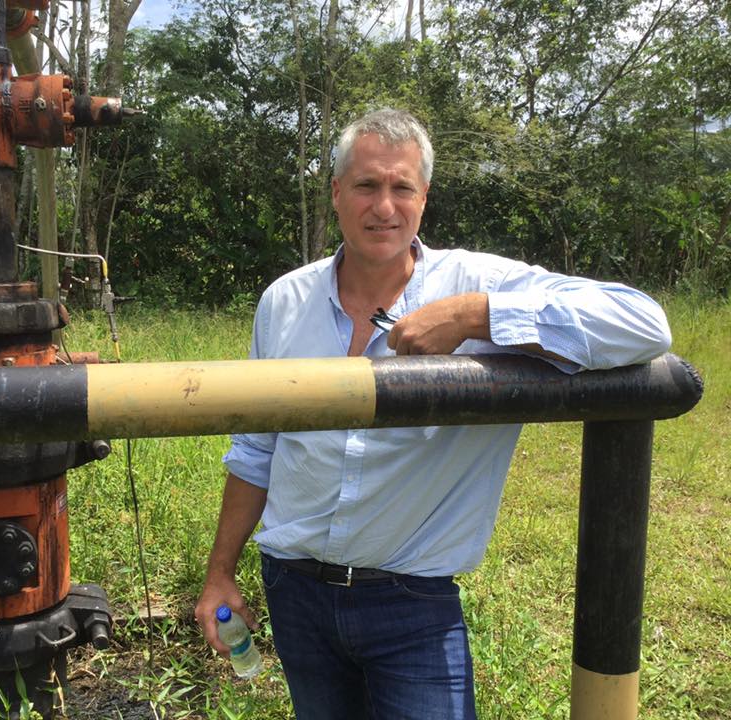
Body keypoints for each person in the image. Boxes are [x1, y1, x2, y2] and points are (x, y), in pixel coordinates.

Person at [194, 108, 671, 719]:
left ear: (424, 199)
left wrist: (476, 316)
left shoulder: (475, 280)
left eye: (402, 188)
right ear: (337, 192)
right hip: (292, 588)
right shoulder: (283, 300)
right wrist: (220, 573)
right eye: (366, 185)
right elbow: (257, 450)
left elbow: (643, 322)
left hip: (413, 602)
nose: (383, 207)